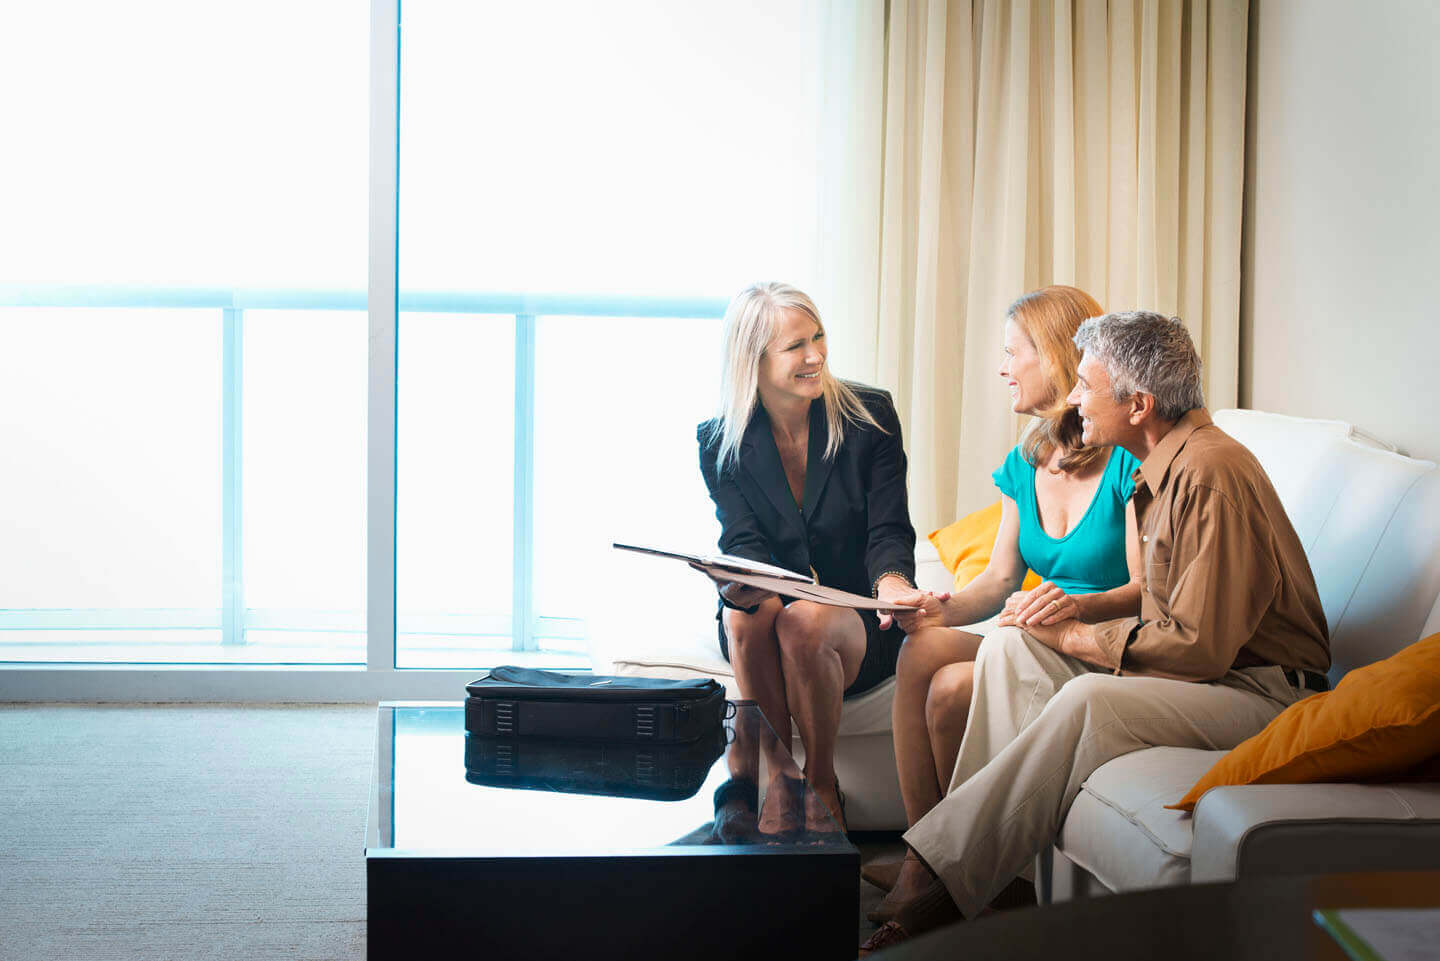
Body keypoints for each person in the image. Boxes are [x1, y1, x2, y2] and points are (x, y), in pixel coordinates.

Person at [862, 311, 1332, 954]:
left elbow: (1197, 647)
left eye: (1085, 386)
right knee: (1010, 642)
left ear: (1137, 405)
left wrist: (1076, 636)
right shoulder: (1163, 467)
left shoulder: (1209, 473)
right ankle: (1003, 891)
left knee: (1083, 698)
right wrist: (1056, 620)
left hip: (1263, 692)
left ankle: (933, 883)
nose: (1073, 398)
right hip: (1215, 675)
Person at [870, 285, 1141, 921]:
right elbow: (997, 581)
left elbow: (1142, 590)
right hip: (1030, 632)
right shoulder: (1024, 462)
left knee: (951, 690)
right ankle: (925, 857)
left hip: (1090, 645)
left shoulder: (1127, 456)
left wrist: (1075, 608)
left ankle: (953, 872)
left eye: (1010, 352)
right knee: (922, 644)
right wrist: (937, 608)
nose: (1001, 367)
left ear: (1052, 357)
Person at [697, 281, 918, 832]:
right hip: (766, 613)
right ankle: (780, 775)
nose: (815, 355)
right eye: (795, 346)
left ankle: (821, 781)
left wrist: (891, 581)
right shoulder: (718, 440)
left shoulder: (871, 417)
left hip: (851, 618)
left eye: (818, 337)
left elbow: (889, 529)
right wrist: (737, 580)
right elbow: (741, 540)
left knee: (804, 619)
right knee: (750, 611)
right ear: (754, 358)